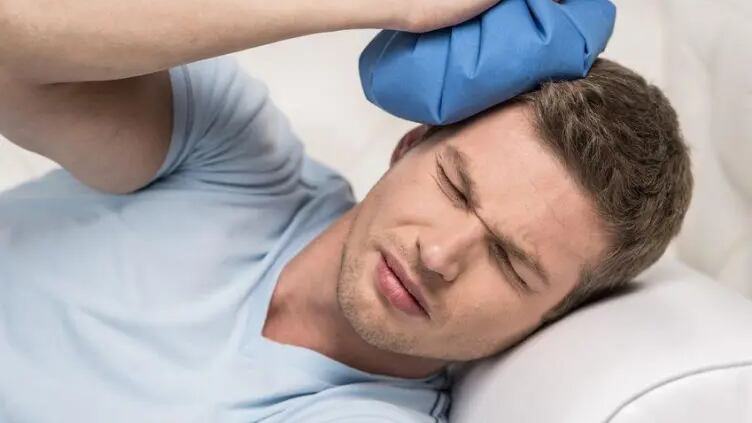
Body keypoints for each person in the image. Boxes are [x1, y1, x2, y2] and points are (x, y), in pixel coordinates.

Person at [0, 1, 692, 422]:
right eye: (454, 187)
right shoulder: (227, 153)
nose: (439, 255)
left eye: (511, 262)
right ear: (410, 145)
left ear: (548, 318)